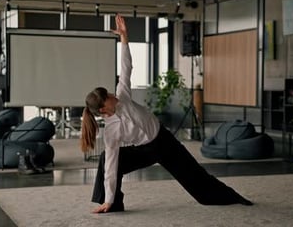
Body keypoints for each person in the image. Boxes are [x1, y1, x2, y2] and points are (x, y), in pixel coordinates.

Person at [81, 14, 253, 213]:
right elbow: (111, 168)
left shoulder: (123, 96)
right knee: (108, 159)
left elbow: (126, 67)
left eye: (110, 92)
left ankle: (232, 196)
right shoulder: (111, 132)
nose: (113, 94)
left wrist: (124, 37)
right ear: (103, 109)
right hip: (143, 151)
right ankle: (111, 204)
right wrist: (109, 200)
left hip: (164, 142)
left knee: (200, 187)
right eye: (109, 96)